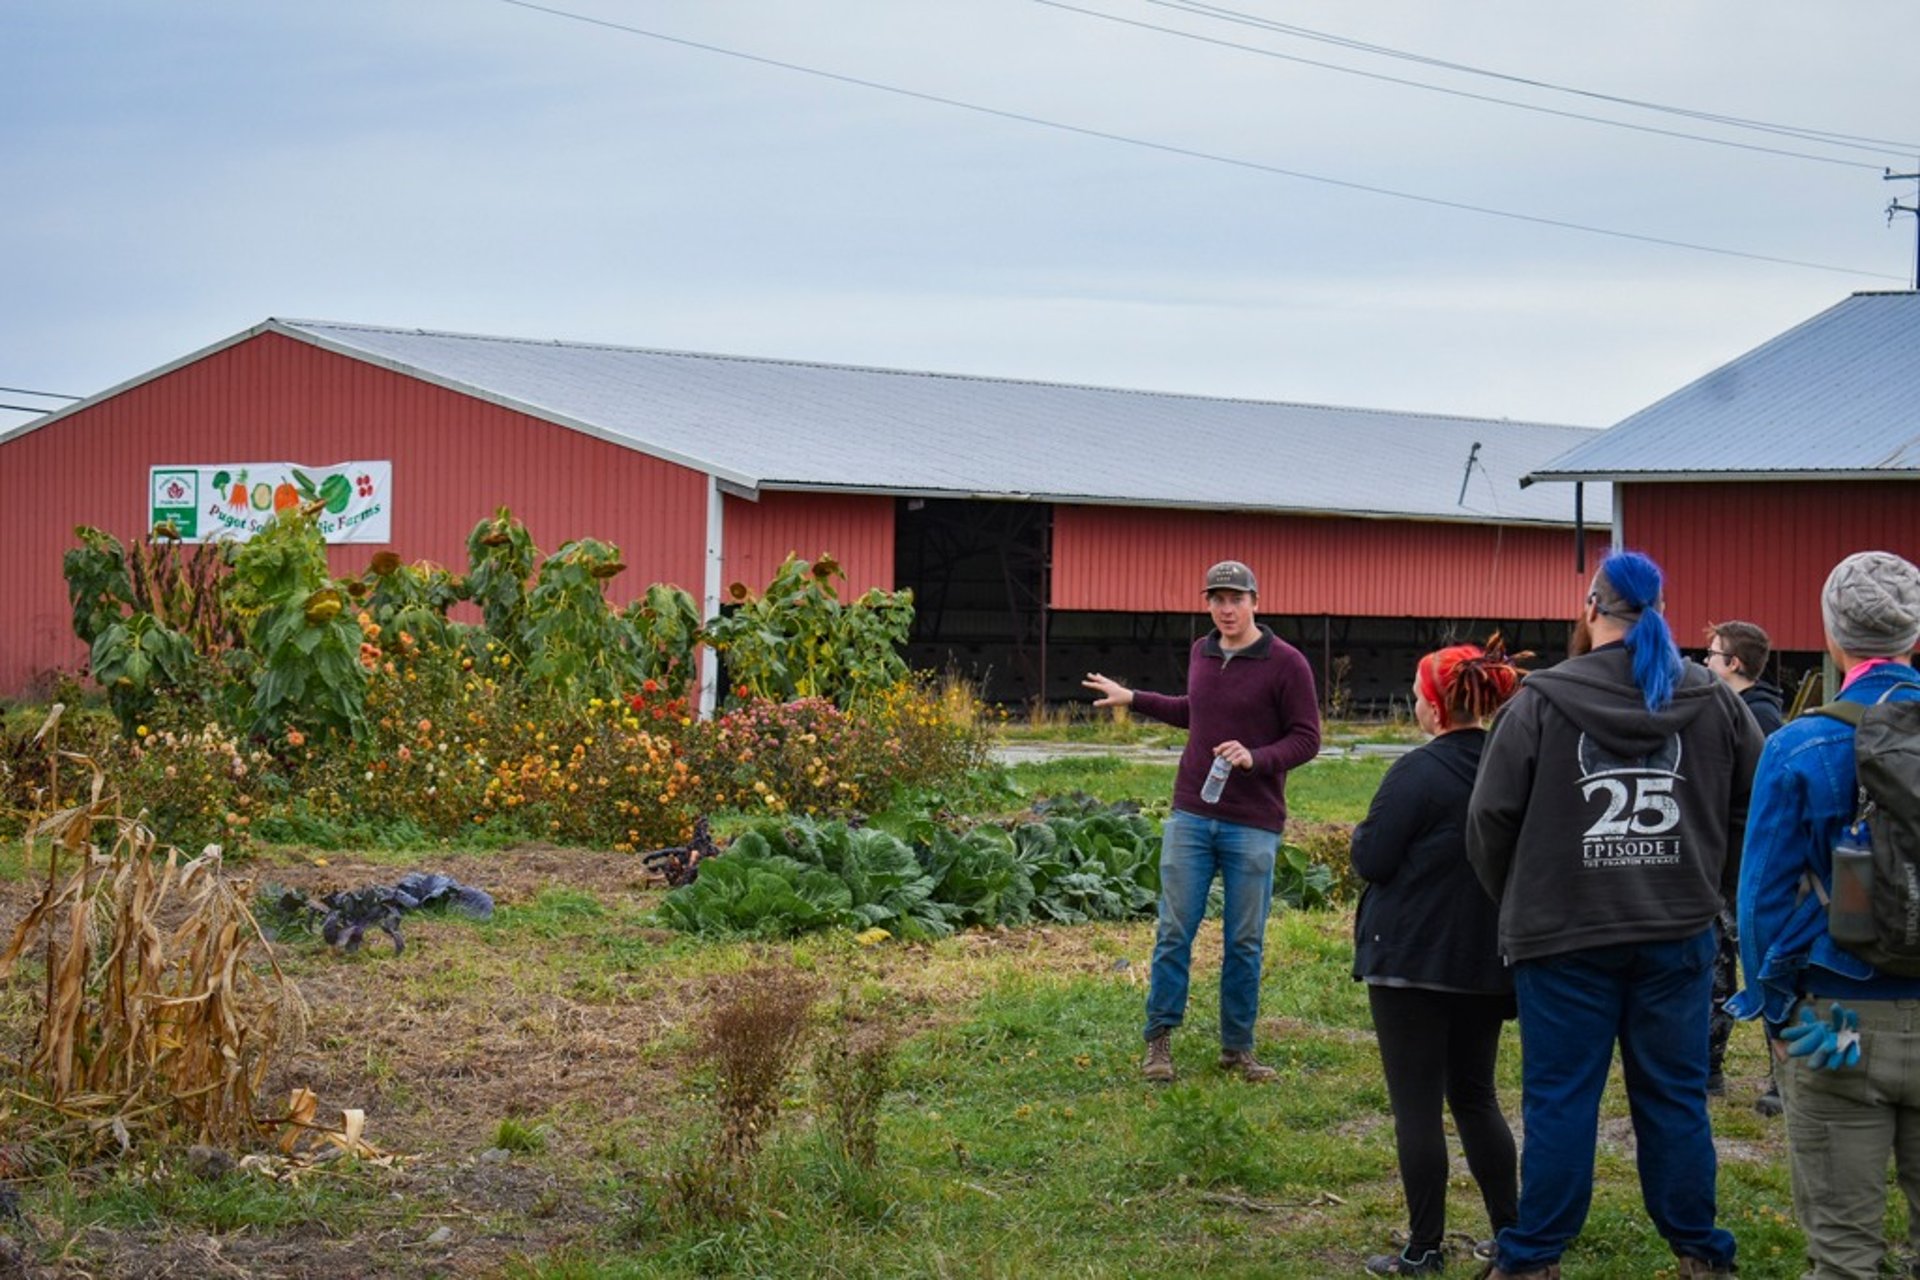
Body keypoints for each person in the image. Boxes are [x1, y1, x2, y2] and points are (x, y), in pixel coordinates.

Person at [1466, 550, 1764, 1280]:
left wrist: (1523, 897)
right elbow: (1755, 806)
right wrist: (1706, 882)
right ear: (1658, 611)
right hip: (1676, 932)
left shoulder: (1539, 701)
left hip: (1563, 937)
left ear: (1592, 609)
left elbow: (1489, 820)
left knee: (1562, 1099)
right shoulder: (1714, 698)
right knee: (1674, 1095)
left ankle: (1534, 1259)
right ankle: (1701, 1251)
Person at [1728, 550, 1920, 1280]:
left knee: (1842, 1252)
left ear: (1832, 635)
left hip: (1832, 1019)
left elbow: (1762, 905)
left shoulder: (1799, 743)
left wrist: (1779, 1022)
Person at [1084, 559, 1322, 1083]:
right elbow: (1197, 710)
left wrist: (1256, 757)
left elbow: (1308, 739)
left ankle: (1237, 1048)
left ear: (1256, 600)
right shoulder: (1202, 651)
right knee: (1174, 930)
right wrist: (1134, 698)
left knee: (1243, 940)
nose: (1226, 608)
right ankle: (1159, 1042)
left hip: (1253, 821)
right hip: (1192, 813)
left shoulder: (1287, 663)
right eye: (1216, 599)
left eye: (1235, 599)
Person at [1351, 638, 1527, 1276]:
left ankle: (1424, 1248)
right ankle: (1512, 1237)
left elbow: (1374, 859)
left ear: (1433, 705)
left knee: (1417, 1108)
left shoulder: (1416, 772)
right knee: (1477, 1096)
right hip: (1484, 960)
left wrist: (1361, 837)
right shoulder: (1511, 767)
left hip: (1408, 962)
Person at [1702, 619, 1788, 1113]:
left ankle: (1781, 1080)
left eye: (1711, 655)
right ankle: (1709, 1069)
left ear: (1733, 664)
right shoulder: (1728, 711)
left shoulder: (1760, 723)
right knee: (1714, 973)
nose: (1704, 663)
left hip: (1752, 873)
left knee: (1766, 970)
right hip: (1720, 868)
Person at [1705, 620, 1786, 736]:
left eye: (1712, 654)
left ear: (1733, 663)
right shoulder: (1725, 704)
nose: (1706, 660)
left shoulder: (1761, 716)